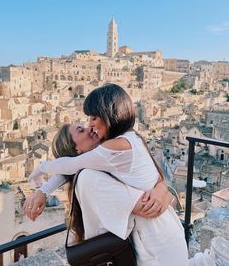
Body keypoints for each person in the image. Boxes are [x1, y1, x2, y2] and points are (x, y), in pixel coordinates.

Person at [25, 83, 188, 265]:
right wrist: (43, 190)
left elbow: (72, 165)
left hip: (159, 242)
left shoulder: (111, 148)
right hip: (158, 237)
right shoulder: (127, 139)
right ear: (76, 149)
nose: (90, 126)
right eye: (83, 127)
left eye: (94, 118)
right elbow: (73, 166)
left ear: (109, 115)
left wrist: (41, 170)